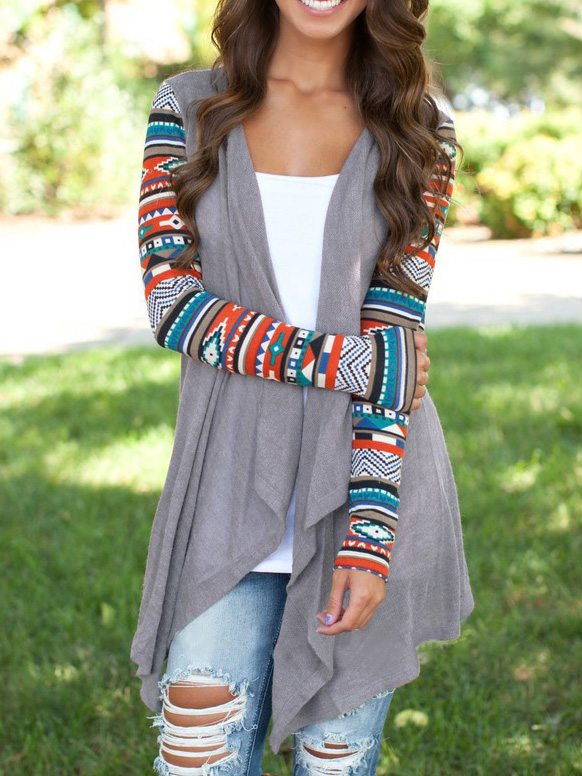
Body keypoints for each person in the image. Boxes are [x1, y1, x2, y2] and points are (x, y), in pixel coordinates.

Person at [132, 0, 475, 774]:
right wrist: (348, 362)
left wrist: (371, 536)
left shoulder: (421, 129)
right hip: (226, 479)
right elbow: (174, 306)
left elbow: (394, 333)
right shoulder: (187, 108)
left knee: (335, 763)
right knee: (196, 753)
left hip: (362, 482)